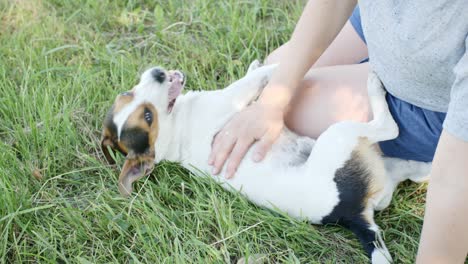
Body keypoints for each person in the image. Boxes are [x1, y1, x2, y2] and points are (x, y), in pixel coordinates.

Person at [208, 0, 468, 263]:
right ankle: (371, 72)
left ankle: (423, 147)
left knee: (295, 108)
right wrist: (272, 100)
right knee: (274, 69)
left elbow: (454, 180)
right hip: (395, 27)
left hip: (433, 103)